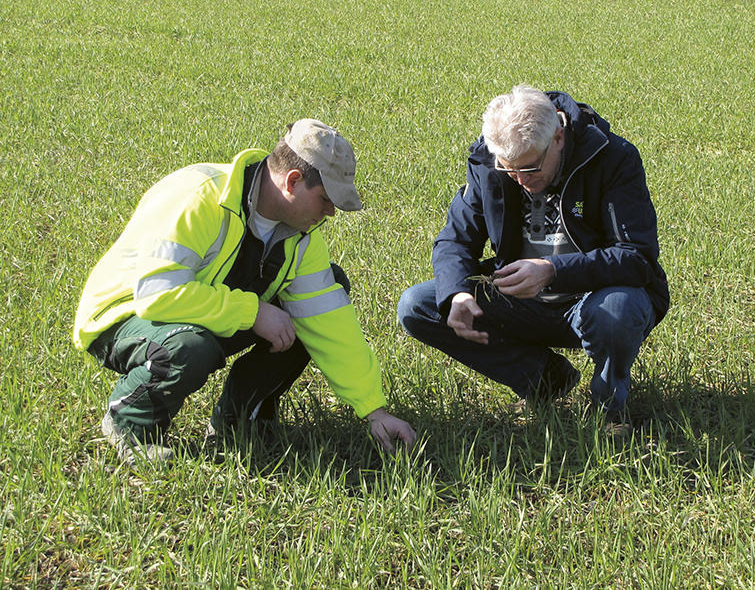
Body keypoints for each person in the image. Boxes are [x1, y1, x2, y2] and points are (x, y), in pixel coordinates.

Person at [74, 119, 416, 465]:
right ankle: (131, 423)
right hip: (124, 315)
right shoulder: (198, 196)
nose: (330, 213)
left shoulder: (302, 236)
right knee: (187, 347)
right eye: (325, 199)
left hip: (202, 313)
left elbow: (330, 321)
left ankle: (238, 422)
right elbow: (157, 294)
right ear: (293, 182)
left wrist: (374, 411)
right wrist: (252, 312)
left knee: (323, 295)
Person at [398, 86, 669, 419]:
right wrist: (457, 295)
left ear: (558, 136)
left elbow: (637, 256)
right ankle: (544, 379)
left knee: (617, 309)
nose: (520, 180)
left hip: (592, 300)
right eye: (509, 170)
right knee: (418, 305)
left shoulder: (613, 157)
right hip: (521, 301)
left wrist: (553, 271)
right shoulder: (490, 163)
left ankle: (609, 409)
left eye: (530, 168)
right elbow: (454, 240)